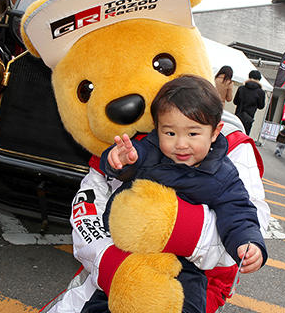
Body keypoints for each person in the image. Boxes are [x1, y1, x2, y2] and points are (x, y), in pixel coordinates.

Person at [101, 75, 267, 310]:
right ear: (157, 128)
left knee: (189, 303)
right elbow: (127, 160)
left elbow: (238, 211)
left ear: (215, 132)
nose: (180, 144)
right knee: (105, 299)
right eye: (170, 133)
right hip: (130, 251)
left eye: (192, 134)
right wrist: (119, 160)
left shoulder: (222, 174)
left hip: (184, 263)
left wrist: (248, 241)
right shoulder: (149, 151)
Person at [233, 70, 265, 134]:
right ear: (259, 79)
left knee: (234, 134)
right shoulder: (260, 92)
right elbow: (261, 106)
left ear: (249, 77)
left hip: (238, 116)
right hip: (249, 118)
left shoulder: (241, 88)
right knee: (244, 136)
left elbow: (235, 101)